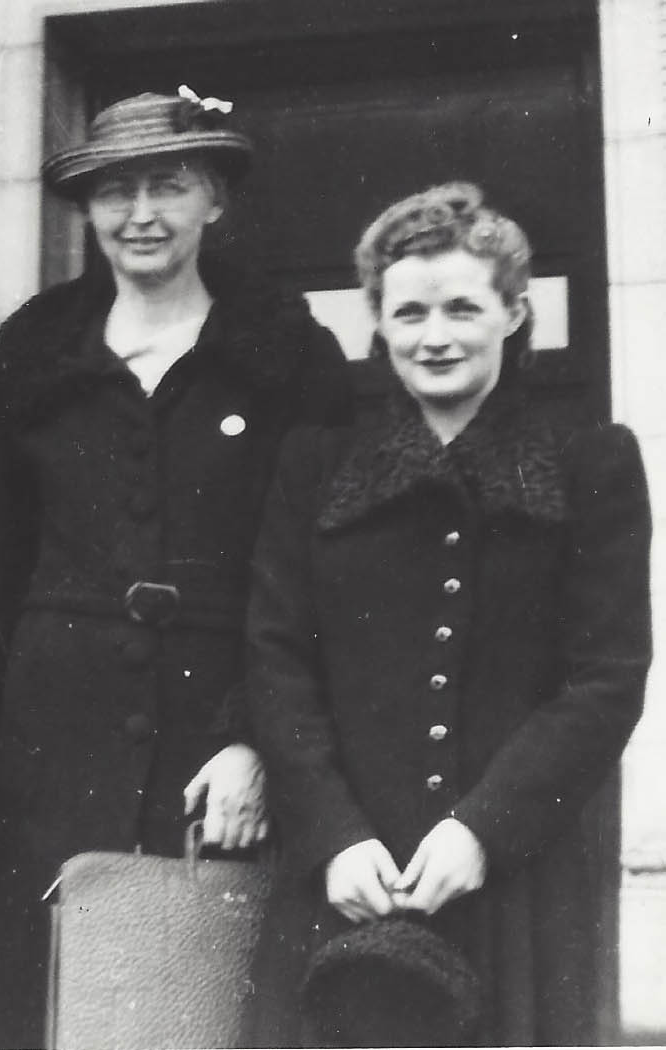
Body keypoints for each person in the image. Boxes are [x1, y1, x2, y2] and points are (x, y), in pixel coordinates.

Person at [0, 88, 354, 1048]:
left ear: (216, 199)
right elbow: (10, 573)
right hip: (50, 736)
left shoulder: (289, 358)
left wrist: (253, 739)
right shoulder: (34, 356)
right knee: (40, 1004)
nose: (140, 215)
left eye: (168, 186)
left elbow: (311, 581)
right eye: (113, 192)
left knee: (193, 1007)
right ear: (85, 212)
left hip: (212, 742)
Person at [243, 183, 652, 1046]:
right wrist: (332, 836)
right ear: (377, 324)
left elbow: (607, 678)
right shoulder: (314, 466)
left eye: (462, 307)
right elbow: (275, 659)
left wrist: (482, 830)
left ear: (512, 312)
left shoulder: (590, 465)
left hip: (518, 880)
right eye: (409, 312)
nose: (434, 336)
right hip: (348, 877)